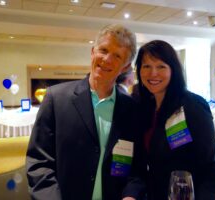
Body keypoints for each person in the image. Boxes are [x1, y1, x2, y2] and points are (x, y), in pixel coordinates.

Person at [26, 24, 146, 200]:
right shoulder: (56, 98)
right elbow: (38, 162)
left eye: (117, 55)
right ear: (92, 52)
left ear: (125, 67)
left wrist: (130, 195)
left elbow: (137, 168)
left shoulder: (132, 109)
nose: (107, 59)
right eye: (103, 50)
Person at [134, 40, 215, 200]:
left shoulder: (192, 106)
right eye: (146, 66)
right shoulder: (144, 107)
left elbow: (212, 168)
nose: (153, 73)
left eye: (161, 66)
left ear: (173, 70)